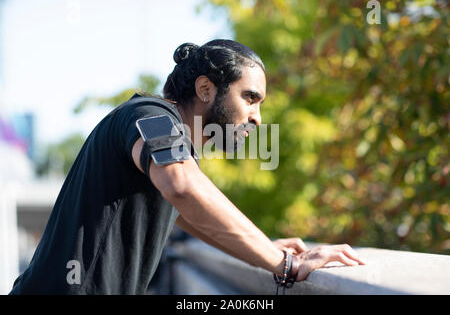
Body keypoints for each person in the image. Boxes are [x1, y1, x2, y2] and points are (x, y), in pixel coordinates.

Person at [9, 39, 365, 295]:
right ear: (206, 89)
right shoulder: (149, 115)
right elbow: (183, 186)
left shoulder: (168, 139)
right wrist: (283, 264)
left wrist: (265, 247)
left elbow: (187, 213)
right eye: (250, 98)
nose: (257, 118)